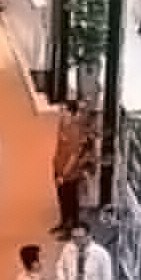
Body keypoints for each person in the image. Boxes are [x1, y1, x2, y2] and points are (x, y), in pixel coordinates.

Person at [51, 99, 96, 234]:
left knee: (70, 200)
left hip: (69, 174)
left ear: (71, 113)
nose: (61, 112)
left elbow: (74, 156)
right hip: (58, 168)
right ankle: (63, 222)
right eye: (61, 110)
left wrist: (63, 175)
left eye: (64, 110)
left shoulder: (75, 131)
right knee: (61, 198)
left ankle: (72, 228)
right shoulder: (62, 124)